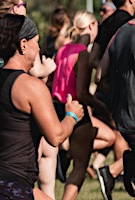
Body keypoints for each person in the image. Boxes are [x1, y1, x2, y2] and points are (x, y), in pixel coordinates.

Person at [0, 14, 84, 199]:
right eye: (36, 42)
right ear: (23, 45)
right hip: (12, 187)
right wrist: (72, 115)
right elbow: (56, 136)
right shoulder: (32, 86)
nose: (38, 49)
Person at [0, 0, 58, 198]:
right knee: (44, 152)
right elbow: (35, 70)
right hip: (25, 96)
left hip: (0, 97)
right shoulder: (23, 35)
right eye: (23, 3)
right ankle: (46, 194)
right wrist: (49, 68)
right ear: (16, 8)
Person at [51, 11, 115, 199]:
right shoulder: (83, 54)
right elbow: (83, 93)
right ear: (91, 26)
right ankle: (70, 151)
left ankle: (69, 150)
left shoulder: (64, 49)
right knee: (79, 169)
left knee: (108, 137)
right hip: (76, 111)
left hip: (59, 107)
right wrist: (105, 108)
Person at [89, 0, 135, 200]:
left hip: (115, 98)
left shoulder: (109, 25)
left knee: (122, 137)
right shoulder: (129, 25)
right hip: (130, 99)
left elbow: (95, 63)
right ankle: (118, 170)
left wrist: (111, 86)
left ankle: (121, 170)